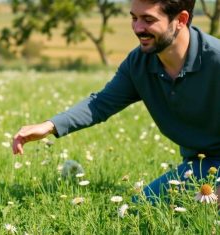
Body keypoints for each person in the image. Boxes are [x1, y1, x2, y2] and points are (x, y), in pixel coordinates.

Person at [12, 0, 220, 202]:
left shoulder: (216, 59)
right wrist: (50, 126)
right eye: (134, 18)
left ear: (181, 19)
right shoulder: (138, 63)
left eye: (148, 19)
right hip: (200, 166)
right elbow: (100, 103)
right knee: (142, 208)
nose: (138, 28)